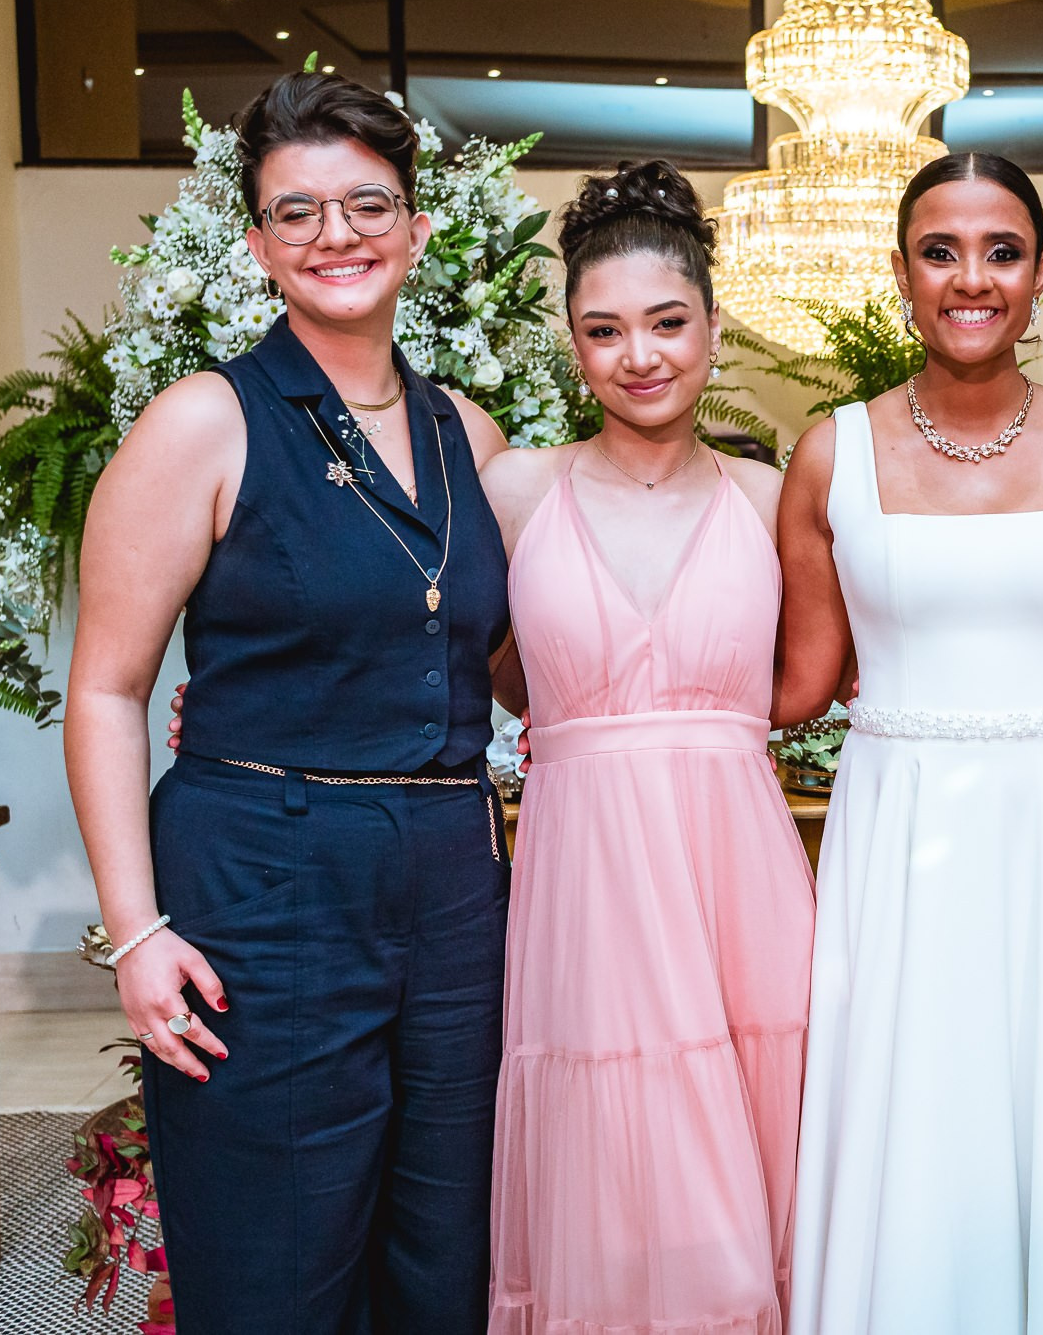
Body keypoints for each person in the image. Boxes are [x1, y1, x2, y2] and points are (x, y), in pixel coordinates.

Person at [65, 72, 511, 1333]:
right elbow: (105, 689)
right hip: (266, 877)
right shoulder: (203, 423)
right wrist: (136, 934)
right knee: (277, 1262)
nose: (336, 234)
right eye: (297, 211)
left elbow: (510, 658)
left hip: (452, 885)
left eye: (367, 203)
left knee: (445, 1253)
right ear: (258, 245)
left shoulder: (469, 435)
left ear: (417, 228)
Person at [775, 152, 1043, 1334]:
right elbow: (796, 684)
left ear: (1040, 276)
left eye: (1001, 252)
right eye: (938, 252)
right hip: (899, 831)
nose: (970, 278)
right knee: (910, 1104)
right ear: (900, 275)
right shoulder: (830, 454)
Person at [477, 160, 814, 1334]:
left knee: (751, 1155)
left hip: (738, 877)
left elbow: (821, 678)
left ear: (714, 328)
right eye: (603, 330)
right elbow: (476, 663)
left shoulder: (774, 499)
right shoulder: (514, 491)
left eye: (667, 323)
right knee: (608, 1166)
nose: (640, 356)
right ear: (572, 345)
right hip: (585, 882)